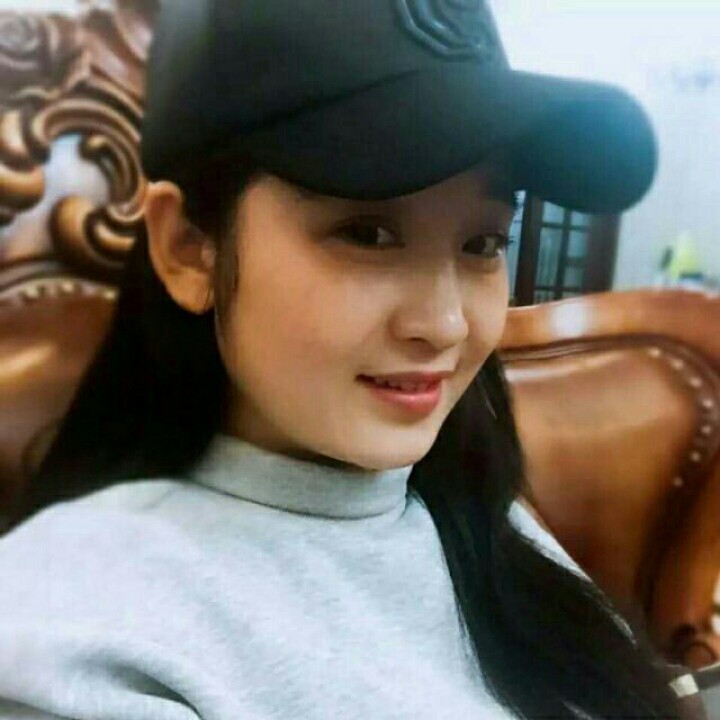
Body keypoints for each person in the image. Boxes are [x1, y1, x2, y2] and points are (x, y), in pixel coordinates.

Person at [0, 1, 690, 719]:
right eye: (367, 233)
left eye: (483, 244)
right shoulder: (80, 638)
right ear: (188, 248)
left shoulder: (478, 516)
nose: (446, 325)